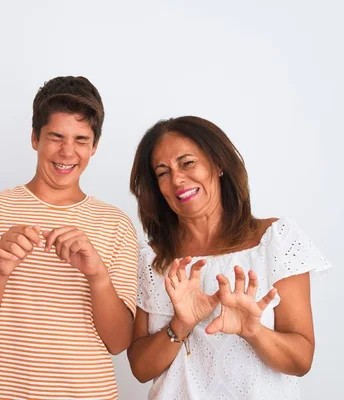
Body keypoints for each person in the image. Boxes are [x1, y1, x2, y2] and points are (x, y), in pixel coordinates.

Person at [0, 76, 139, 400]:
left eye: (81, 140)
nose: (67, 151)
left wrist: (98, 276)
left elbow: (119, 342)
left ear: (95, 146)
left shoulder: (116, 225)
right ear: (34, 138)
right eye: (56, 137)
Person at [127, 116, 333, 399]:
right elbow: (140, 369)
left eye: (187, 163)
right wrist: (181, 325)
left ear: (218, 164)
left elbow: (301, 361)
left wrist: (253, 331)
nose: (177, 179)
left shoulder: (275, 240)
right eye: (163, 172)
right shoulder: (152, 258)